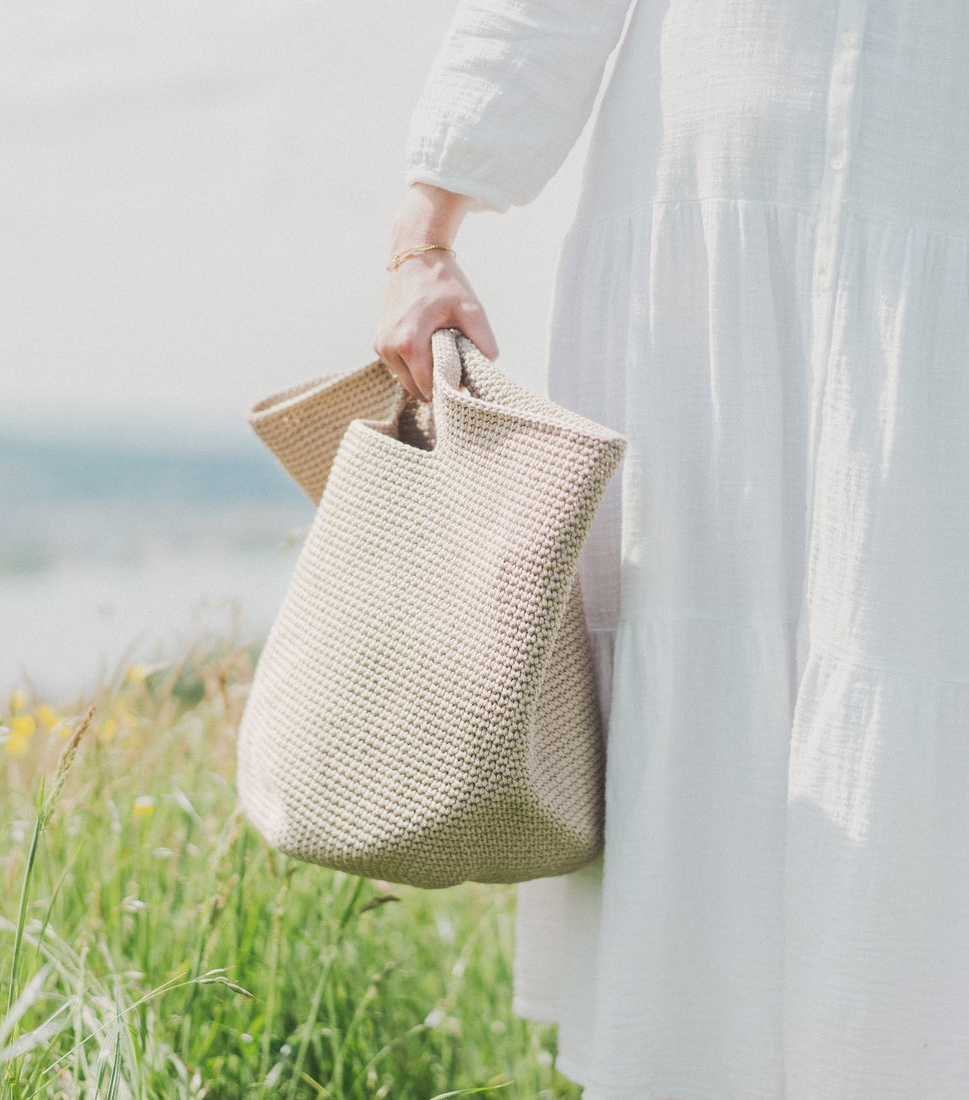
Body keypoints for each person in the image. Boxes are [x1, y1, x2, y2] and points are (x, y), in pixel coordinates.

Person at [374, 2, 969, 1098]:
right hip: (695, 268)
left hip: (930, 238)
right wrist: (425, 234)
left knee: (913, 648)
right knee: (702, 693)